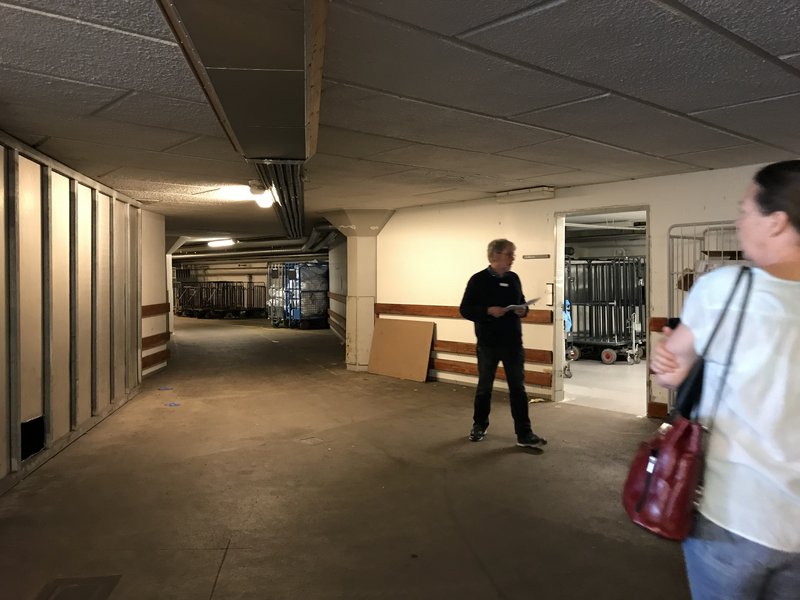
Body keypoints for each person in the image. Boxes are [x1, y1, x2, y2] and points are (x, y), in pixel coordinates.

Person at [651, 161, 800, 599]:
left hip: (735, 517)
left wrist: (668, 359)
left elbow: (669, 371)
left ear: (776, 222)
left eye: (745, 211)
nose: (739, 222)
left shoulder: (727, 288)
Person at [459, 239, 546, 448]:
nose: (513, 258)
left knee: (518, 389)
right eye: (509, 254)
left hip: (513, 344)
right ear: (495, 255)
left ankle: (524, 433)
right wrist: (488, 311)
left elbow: (522, 302)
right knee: (484, 387)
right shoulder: (478, 280)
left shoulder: (514, 278)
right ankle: (479, 426)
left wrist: (523, 310)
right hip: (488, 344)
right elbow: (465, 309)